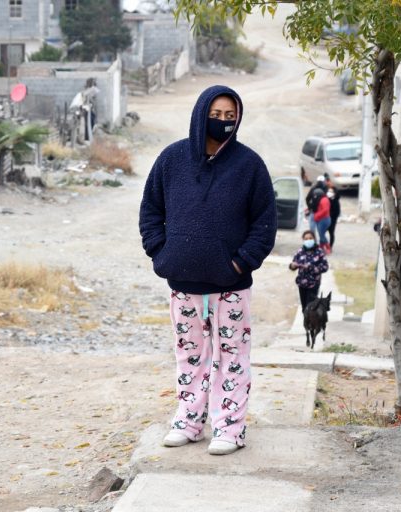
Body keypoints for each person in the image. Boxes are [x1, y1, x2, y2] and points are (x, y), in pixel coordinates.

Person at [139, 85, 277, 455]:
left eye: (230, 116)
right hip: (183, 283)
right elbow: (151, 210)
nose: (223, 122)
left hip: (231, 285)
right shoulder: (172, 160)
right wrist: (160, 253)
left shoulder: (249, 166)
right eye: (216, 115)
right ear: (201, 114)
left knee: (232, 358)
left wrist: (240, 262)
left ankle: (229, 429)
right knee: (190, 356)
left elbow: (264, 224)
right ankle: (188, 422)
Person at [289, 230, 329, 312]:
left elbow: (325, 267)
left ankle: (312, 323)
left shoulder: (319, 252)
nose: (308, 240)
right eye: (306, 239)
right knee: (304, 308)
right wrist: (292, 266)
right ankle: (307, 324)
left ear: (314, 239)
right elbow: (293, 265)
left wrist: (311, 267)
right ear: (303, 240)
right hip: (302, 284)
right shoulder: (300, 252)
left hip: (313, 284)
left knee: (310, 307)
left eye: (310, 238)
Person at [312, 187, 332, 254]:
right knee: (321, 234)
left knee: (321, 235)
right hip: (321, 219)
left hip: (324, 219)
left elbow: (325, 210)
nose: (315, 197)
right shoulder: (321, 199)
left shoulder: (324, 200)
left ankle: (328, 247)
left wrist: (317, 215)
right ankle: (321, 247)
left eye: (315, 195)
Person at [325, 182, 341, 251]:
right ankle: (324, 245)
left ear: (334, 193)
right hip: (325, 219)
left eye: (331, 192)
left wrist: (331, 216)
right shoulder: (326, 199)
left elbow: (337, 212)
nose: (329, 193)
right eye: (328, 191)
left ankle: (330, 247)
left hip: (332, 220)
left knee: (331, 233)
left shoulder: (336, 201)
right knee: (322, 233)